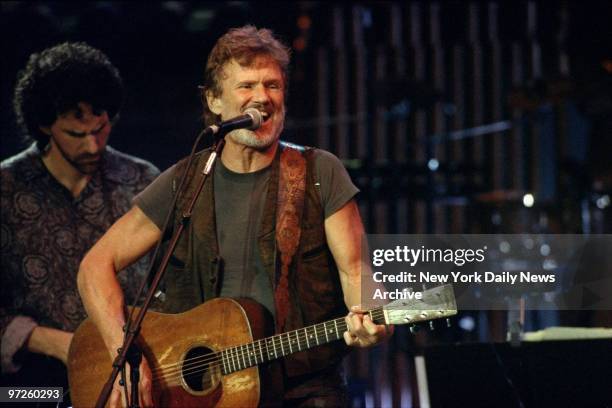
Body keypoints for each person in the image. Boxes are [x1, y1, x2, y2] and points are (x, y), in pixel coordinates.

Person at [78, 26, 392, 407]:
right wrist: (123, 353)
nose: (262, 98)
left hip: (302, 388)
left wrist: (370, 316)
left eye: (272, 85)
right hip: (201, 393)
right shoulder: (185, 181)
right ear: (214, 100)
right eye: (247, 86)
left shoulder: (319, 172)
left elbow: (355, 269)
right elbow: (96, 265)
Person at [0, 42, 159, 396]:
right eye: (76, 134)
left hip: (132, 379)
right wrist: (53, 343)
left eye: (100, 129)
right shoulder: (6, 190)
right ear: (44, 125)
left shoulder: (142, 181)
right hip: (32, 386)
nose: (93, 146)